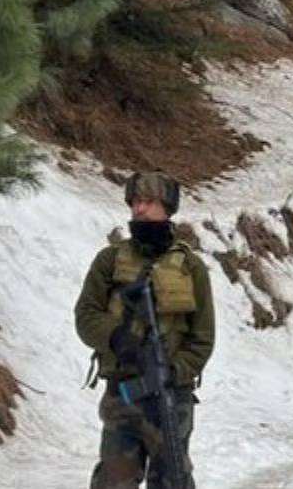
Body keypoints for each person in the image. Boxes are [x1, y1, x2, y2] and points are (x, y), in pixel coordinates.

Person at [75, 171, 214, 489]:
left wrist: (174, 371)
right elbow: (86, 315)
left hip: (171, 398)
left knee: (172, 481)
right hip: (122, 395)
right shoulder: (110, 260)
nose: (139, 209)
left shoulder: (190, 267)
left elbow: (203, 338)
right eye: (135, 201)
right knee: (112, 482)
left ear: (167, 207)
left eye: (148, 201)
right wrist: (116, 338)